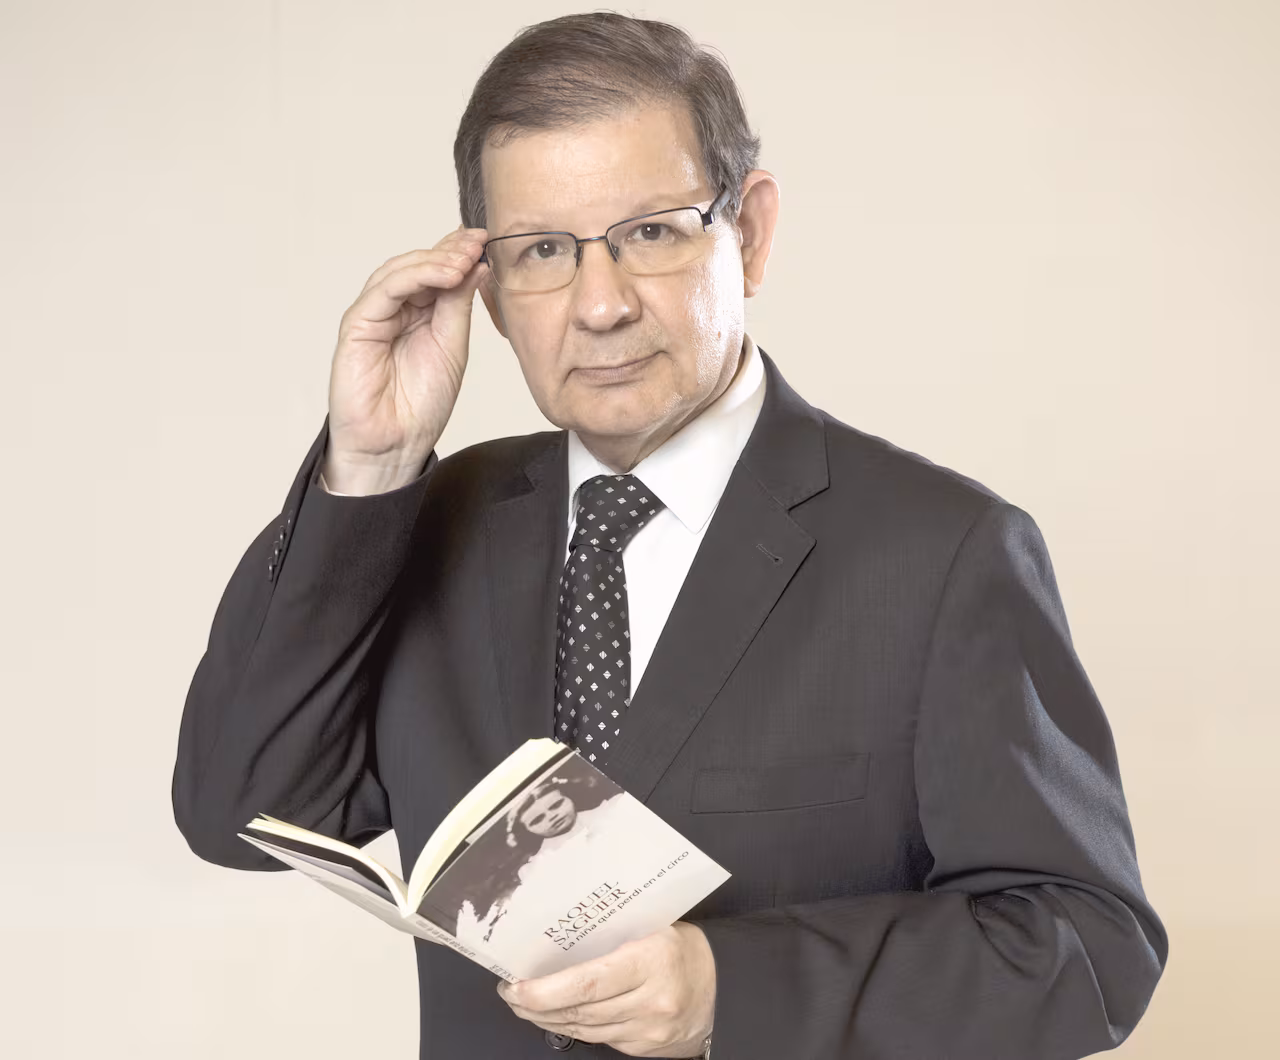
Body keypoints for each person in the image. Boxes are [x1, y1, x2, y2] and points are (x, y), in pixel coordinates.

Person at [171, 12, 1167, 1060]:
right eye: (543, 251)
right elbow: (240, 810)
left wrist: (730, 988)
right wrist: (369, 466)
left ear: (751, 233)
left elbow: (1086, 950)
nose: (600, 305)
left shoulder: (943, 553)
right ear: (490, 293)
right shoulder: (422, 526)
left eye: (651, 232)